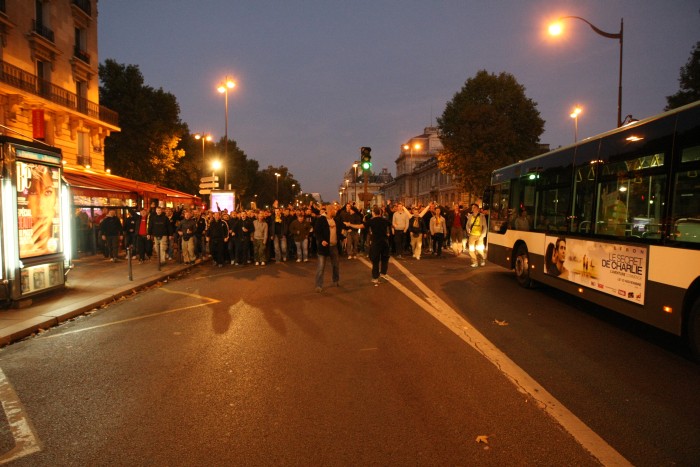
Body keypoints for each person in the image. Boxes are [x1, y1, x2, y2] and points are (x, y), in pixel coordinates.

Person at [25, 165, 59, 256]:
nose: (40, 205)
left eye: (48, 192)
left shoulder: (61, 240)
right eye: (33, 193)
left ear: (55, 199)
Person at [314, 204, 340, 292]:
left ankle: (335, 280)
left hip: (334, 246)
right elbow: (317, 232)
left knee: (335, 265)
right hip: (324, 247)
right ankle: (318, 285)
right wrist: (321, 240)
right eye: (334, 210)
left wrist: (343, 238)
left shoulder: (335, 220)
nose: (335, 211)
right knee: (321, 267)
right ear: (329, 211)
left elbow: (338, 231)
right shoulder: (321, 219)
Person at [366, 205, 392, 285]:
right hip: (384, 242)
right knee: (385, 259)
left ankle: (375, 278)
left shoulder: (371, 221)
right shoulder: (384, 220)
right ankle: (383, 273)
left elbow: (361, 226)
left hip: (376, 243)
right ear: (380, 213)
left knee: (375, 261)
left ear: (373, 213)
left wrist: (350, 224)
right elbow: (391, 225)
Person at [466, 203, 488, 267]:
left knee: (479, 249)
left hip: (479, 235)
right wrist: (468, 230)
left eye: (474, 207)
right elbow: (467, 225)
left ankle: (482, 259)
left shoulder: (482, 216)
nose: (473, 209)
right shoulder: (470, 216)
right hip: (472, 235)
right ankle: (474, 262)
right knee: (471, 249)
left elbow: (485, 226)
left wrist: (483, 235)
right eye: (472, 208)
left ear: (478, 209)